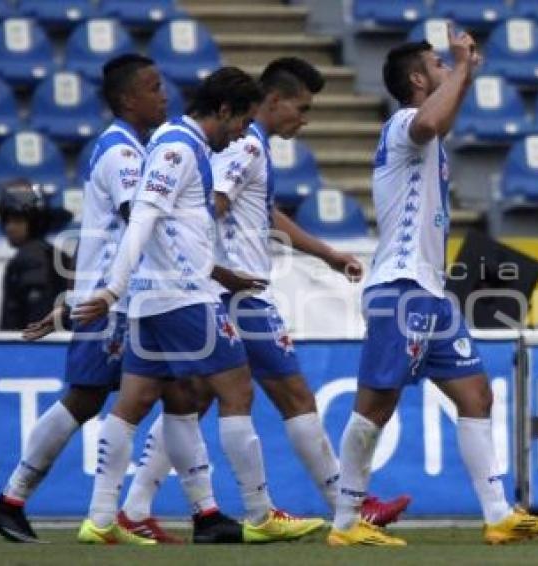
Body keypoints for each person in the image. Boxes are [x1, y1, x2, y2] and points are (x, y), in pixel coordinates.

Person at [116, 57, 411, 536]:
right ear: (273, 101)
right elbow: (209, 204)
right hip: (238, 293)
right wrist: (210, 267)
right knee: (290, 394)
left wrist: (326, 253)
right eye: (302, 107)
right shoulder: (247, 145)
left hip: (226, 289)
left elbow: (264, 212)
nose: (306, 119)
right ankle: (344, 507)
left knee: (195, 401)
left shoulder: (252, 146)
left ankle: (133, 508)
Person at [327, 33, 538, 546]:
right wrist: (461, 65)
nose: (445, 68)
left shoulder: (430, 132)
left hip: (431, 293)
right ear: (418, 79)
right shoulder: (403, 125)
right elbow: (433, 118)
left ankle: (499, 515)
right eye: (435, 64)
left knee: (476, 394)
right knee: (376, 405)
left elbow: (444, 115)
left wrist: (463, 71)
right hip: (400, 287)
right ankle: (345, 523)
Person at [72, 66, 324, 546]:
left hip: (155, 297)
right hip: (181, 297)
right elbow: (143, 216)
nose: (241, 135)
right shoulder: (177, 148)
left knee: (154, 402)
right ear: (223, 111)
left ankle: (103, 518)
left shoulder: (184, 146)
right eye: (240, 122)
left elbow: (181, 228)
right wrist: (110, 290)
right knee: (237, 393)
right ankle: (259, 510)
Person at [0, 54, 168, 543]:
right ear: (129, 99)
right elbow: (140, 220)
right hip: (114, 303)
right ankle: (24, 501)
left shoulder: (128, 148)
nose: (163, 96)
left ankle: (133, 510)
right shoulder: (123, 154)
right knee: (89, 399)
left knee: (178, 393)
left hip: (121, 298)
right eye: (153, 87)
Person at [0, 180, 73, 331]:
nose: (9, 228)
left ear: (35, 222)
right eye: (7, 221)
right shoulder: (59, 255)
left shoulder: (29, 258)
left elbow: (37, 315)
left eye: (17, 221)